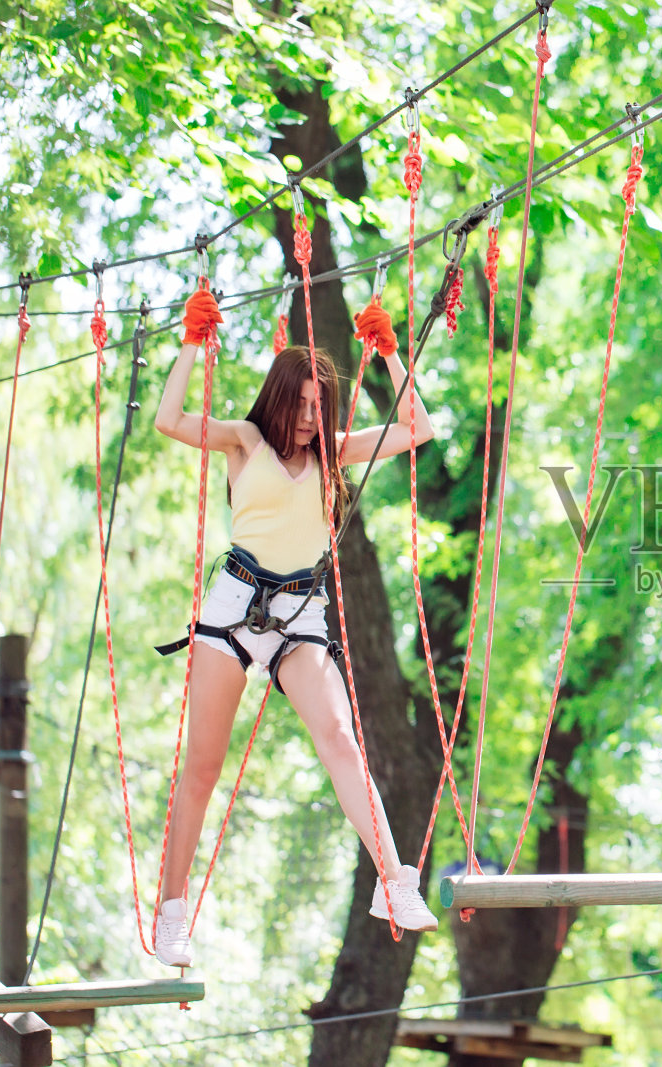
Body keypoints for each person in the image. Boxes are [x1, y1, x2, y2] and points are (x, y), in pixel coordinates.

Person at [149, 288, 438, 968]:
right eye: (302, 403)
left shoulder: (335, 451)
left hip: (301, 614)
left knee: (340, 736)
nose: (311, 417)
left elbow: (417, 428)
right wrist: (193, 343)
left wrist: (392, 356)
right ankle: (171, 913)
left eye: (319, 405)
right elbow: (168, 419)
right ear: (279, 397)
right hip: (234, 609)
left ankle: (393, 882)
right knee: (203, 769)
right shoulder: (244, 440)